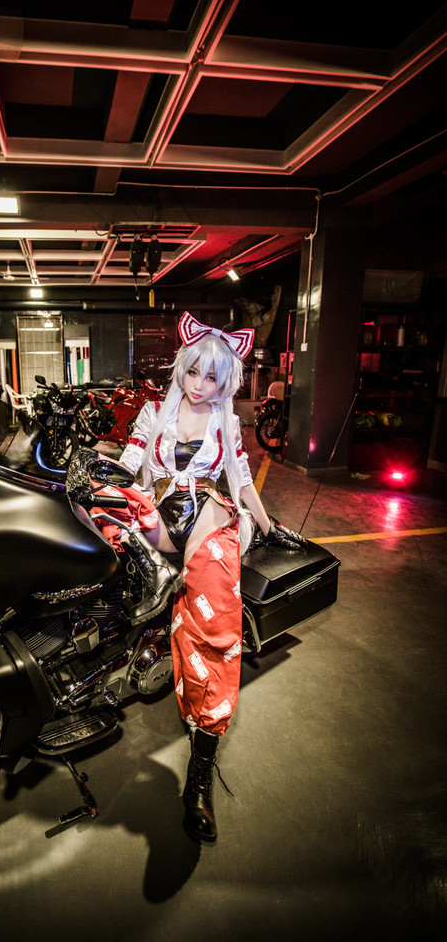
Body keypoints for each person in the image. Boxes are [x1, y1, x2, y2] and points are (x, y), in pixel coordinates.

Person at [92, 311, 305, 844]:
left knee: (217, 632)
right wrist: (95, 473)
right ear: (181, 369)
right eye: (194, 373)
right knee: (90, 529)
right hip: (157, 514)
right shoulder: (153, 412)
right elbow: (130, 464)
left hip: (207, 517)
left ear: (226, 382)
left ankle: (200, 774)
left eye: (213, 378)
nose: (201, 385)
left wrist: (269, 526)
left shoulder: (226, 423)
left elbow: (241, 479)